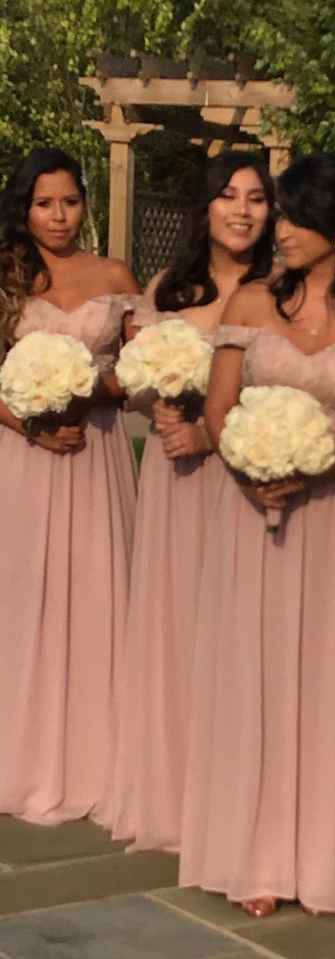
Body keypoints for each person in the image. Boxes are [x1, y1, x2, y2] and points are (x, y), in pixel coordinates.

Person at [179, 153, 335, 916]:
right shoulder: (248, 303)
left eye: (299, 217)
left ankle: (324, 854)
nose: (282, 229)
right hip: (249, 504)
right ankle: (259, 854)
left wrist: (314, 468)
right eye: (282, 214)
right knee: (258, 666)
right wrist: (250, 465)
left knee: (331, 669)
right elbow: (219, 409)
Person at [104, 152, 275, 851]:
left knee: (241, 637)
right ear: (203, 206)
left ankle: (238, 797)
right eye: (228, 195)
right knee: (178, 626)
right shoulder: (171, 286)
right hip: (175, 483)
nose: (241, 210)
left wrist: (212, 431)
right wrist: (164, 407)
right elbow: (136, 377)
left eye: (257, 198)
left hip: (243, 474)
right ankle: (175, 792)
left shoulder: (280, 290)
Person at [0, 147, 139, 824]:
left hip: (97, 453)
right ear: (23, 207)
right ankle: (20, 755)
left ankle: (99, 761)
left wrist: (88, 389)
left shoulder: (115, 273)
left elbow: (143, 371)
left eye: (70, 201)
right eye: (44, 202)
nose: (58, 216)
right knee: (24, 601)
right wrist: (33, 422)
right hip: (23, 459)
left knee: (99, 593)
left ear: (86, 203)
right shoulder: (5, 276)